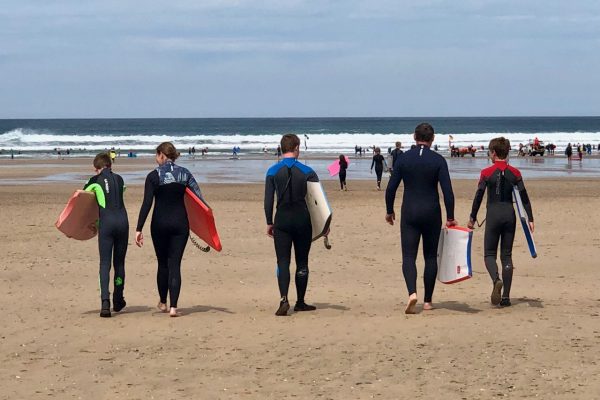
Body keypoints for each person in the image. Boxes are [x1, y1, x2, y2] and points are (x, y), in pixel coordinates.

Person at [385, 123, 456, 314]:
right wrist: (450, 216)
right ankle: (428, 301)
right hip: (432, 212)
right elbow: (447, 192)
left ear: (414, 137)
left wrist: (389, 210)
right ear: (432, 139)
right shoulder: (438, 160)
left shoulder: (403, 159)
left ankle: (412, 293)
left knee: (409, 256)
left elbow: (391, 187)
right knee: (430, 256)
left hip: (410, 212)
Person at [135, 142, 205, 317]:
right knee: (175, 264)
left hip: (159, 224)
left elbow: (147, 204)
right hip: (180, 224)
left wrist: (139, 228)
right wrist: (203, 225)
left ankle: (163, 302)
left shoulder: (153, 175)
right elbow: (199, 199)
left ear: (161, 155)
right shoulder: (185, 173)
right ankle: (174, 307)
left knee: (162, 263)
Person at [468, 137, 534, 308]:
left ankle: (496, 280)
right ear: (508, 152)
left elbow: (478, 197)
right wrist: (530, 218)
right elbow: (524, 197)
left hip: (493, 215)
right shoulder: (516, 173)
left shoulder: (486, 173)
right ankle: (505, 298)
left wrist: (472, 218)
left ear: (494, 153)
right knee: (507, 255)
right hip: (509, 215)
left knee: (489, 254)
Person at [264, 133, 319, 316]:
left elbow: (268, 200)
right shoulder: (308, 171)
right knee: (302, 262)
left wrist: (269, 222)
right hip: (303, 221)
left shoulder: (272, 171)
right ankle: (301, 302)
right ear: (296, 148)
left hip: (282, 221)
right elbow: (317, 202)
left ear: (281, 148)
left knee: (283, 261)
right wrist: (323, 224)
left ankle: (284, 299)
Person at [83, 152, 129, 318]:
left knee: (104, 264)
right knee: (120, 264)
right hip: (123, 223)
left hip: (107, 225)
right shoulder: (120, 179)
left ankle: (105, 302)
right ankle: (118, 298)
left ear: (97, 168)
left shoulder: (94, 181)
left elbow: (83, 197)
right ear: (110, 165)